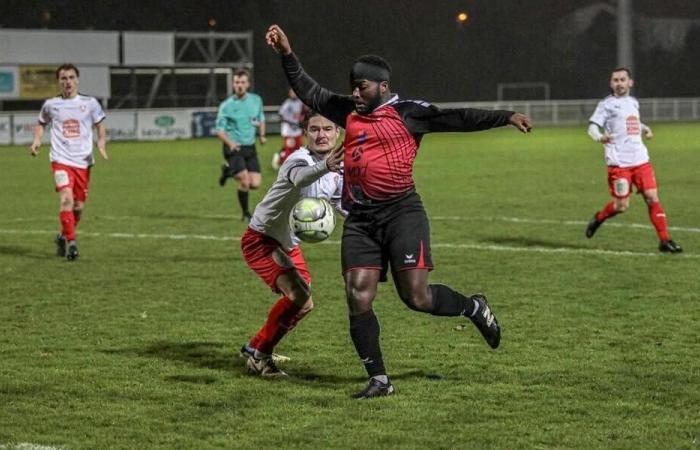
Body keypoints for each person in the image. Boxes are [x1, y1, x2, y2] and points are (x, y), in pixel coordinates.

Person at [266, 24, 533, 398]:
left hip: (402, 213)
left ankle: (473, 307)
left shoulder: (409, 114)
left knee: (416, 297)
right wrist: (287, 53)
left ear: (384, 86)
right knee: (357, 293)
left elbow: (457, 118)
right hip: (360, 219)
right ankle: (378, 380)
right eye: (353, 86)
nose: (355, 93)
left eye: (363, 87)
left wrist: (505, 116)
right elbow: (310, 90)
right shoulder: (349, 112)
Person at [240, 110, 344, 377]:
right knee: (298, 295)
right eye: (315, 129)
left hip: (287, 244)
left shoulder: (336, 171)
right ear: (305, 133)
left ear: (338, 132)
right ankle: (261, 358)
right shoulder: (297, 159)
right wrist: (326, 165)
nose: (322, 134)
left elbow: (341, 204)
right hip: (262, 239)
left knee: (305, 304)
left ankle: (255, 347)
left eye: (328, 129)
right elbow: (301, 178)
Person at [585, 68, 682, 253]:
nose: (619, 83)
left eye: (623, 79)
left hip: (640, 159)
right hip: (619, 164)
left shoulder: (633, 103)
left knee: (652, 197)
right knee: (621, 206)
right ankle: (599, 218)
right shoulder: (607, 104)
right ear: (611, 83)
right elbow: (592, 127)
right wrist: (599, 137)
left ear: (630, 82)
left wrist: (645, 128)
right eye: (615, 80)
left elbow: (633, 122)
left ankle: (664, 240)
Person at [30, 63, 108, 261]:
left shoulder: (90, 103)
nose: (68, 82)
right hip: (60, 159)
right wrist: (37, 140)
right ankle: (72, 244)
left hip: (83, 161)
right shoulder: (51, 105)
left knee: (78, 208)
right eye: (63, 78)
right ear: (59, 81)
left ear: (77, 80)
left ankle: (62, 236)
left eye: (71, 77)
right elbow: (41, 123)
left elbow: (100, 125)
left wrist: (101, 142)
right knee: (66, 198)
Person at [216, 69, 267, 222]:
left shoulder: (256, 100)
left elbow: (261, 118)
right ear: (233, 84)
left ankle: (228, 171)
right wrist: (230, 143)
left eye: (242, 82)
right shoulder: (226, 106)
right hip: (234, 147)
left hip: (250, 147)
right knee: (244, 181)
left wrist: (262, 135)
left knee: (255, 184)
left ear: (248, 84)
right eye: (237, 82)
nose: (240, 85)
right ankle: (245, 213)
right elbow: (219, 131)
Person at [272, 88, 308, 170]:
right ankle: (279, 159)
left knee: (299, 148)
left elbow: (305, 112)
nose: (294, 94)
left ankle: (296, 165)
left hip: (297, 131)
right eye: (292, 92)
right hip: (288, 132)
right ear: (289, 93)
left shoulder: (300, 103)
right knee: (289, 150)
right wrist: (290, 122)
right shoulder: (287, 104)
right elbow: (280, 116)